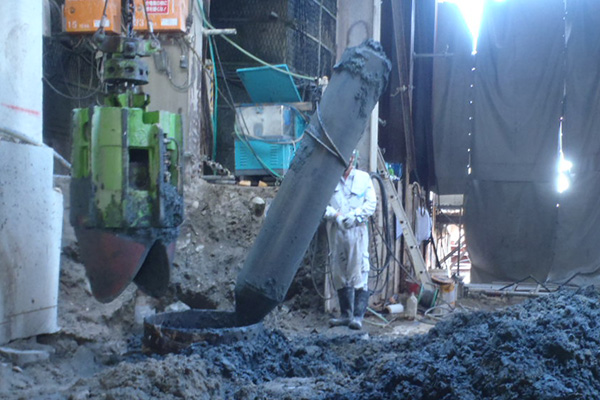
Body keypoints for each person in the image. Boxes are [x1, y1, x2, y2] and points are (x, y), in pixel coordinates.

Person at [324, 150, 377, 330]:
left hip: (357, 231)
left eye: (350, 158)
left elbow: (371, 203)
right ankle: (345, 314)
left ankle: (358, 316)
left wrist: (356, 216)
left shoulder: (363, 179)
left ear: (353, 159)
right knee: (339, 272)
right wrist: (335, 215)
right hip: (337, 230)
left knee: (359, 270)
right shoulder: (329, 178)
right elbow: (321, 205)